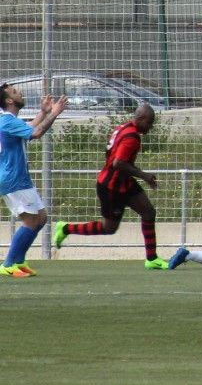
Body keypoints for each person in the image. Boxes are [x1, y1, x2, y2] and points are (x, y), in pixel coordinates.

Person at [53, 103, 169, 269]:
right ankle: (65, 228)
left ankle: (152, 259)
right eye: (149, 123)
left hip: (124, 182)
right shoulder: (132, 137)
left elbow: (112, 154)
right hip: (111, 187)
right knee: (109, 228)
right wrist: (144, 175)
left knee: (148, 212)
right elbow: (118, 163)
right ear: (141, 118)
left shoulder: (123, 127)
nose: (150, 127)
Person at [0, 82, 68, 277]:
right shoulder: (6, 121)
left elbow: (29, 127)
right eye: (14, 92)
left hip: (20, 178)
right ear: (9, 101)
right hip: (13, 179)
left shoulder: (10, 120)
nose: (19, 92)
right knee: (30, 221)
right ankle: (8, 264)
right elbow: (37, 133)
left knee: (41, 218)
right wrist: (54, 113)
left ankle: (19, 261)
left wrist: (43, 112)